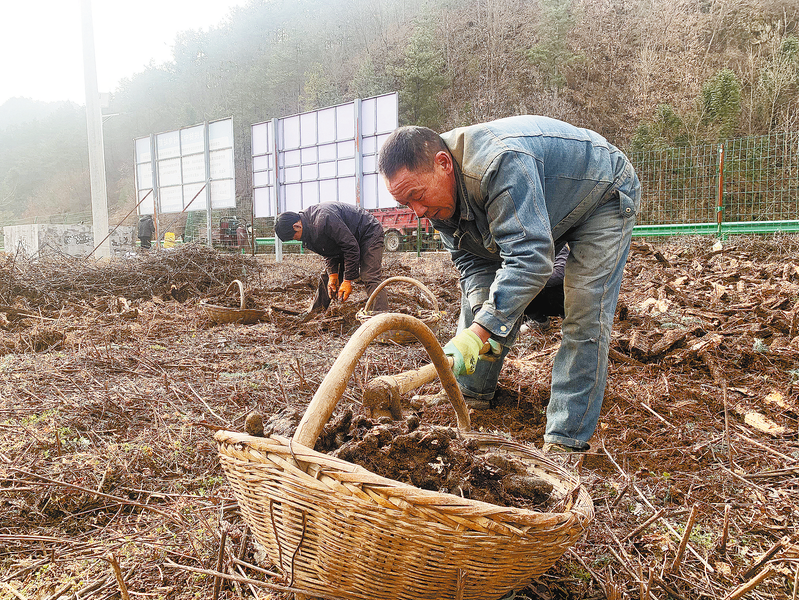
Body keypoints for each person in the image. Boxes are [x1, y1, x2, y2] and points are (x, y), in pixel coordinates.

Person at [378, 116, 641, 453]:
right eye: (405, 204)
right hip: (548, 203)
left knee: (585, 310)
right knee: (484, 306)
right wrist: (481, 321)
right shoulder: (436, 199)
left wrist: (482, 330)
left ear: (443, 164)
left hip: (602, 192)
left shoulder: (499, 164)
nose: (417, 211)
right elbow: (471, 262)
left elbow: (530, 259)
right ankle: (471, 391)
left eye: (417, 196)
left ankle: (566, 438)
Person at [274, 202, 389, 312]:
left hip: (368, 232)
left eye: (294, 237)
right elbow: (328, 249)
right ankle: (316, 313)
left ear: (297, 226)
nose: (296, 239)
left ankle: (381, 316)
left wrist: (347, 280)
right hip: (348, 239)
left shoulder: (324, 219)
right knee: (328, 277)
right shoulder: (308, 227)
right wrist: (333, 274)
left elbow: (351, 247)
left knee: (369, 276)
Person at [520, 243, 569, 333]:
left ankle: (569, 322)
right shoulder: (520, 247)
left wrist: (530, 281)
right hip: (539, 293)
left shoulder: (556, 243)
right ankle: (540, 321)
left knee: (556, 285)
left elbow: (560, 273)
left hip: (559, 297)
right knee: (519, 289)